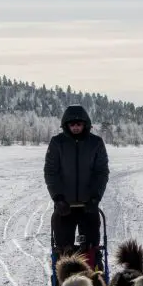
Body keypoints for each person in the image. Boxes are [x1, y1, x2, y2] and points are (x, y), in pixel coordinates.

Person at [44, 105, 109, 268]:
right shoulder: (57, 143)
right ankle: (62, 281)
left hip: (89, 205)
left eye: (78, 124)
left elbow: (101, 172)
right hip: (64, 206)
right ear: (66, 125)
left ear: (85, 124)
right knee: (64, 249)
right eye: (72, 124)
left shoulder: (96, 143)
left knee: (90, 247)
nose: (75, 127)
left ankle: (94, 275)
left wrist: (95, 197)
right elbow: (51, 172)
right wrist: (57, 198)